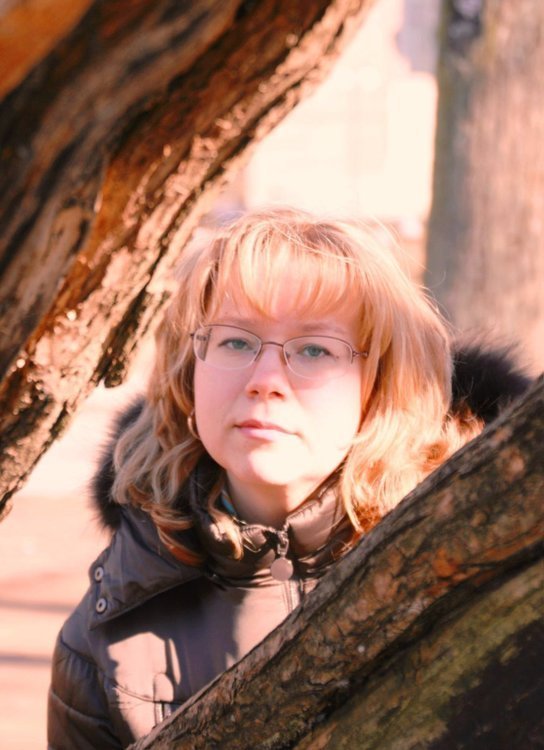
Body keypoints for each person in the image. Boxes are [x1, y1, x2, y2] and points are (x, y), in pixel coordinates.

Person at [47, 208, 529, 749]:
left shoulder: (482, 565)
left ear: (382, 382)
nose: (266, 380)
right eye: (236, 341)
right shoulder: (108, 634)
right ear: (189, 369)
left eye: (315, 349)